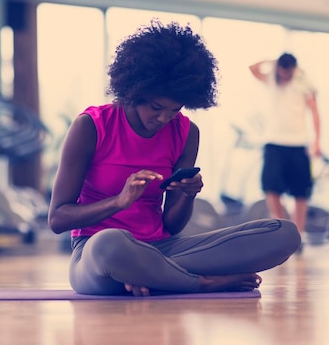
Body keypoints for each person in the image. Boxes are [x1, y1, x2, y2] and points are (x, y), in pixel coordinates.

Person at [48, 20, 301, 297]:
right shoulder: (91, 126)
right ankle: (201, 283)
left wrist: (187, 195)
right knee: (111, 243)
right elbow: (58, 219)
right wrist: (120, 201)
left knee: (283, 233)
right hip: (96, 253)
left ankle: (150, 274)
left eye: (174, 110)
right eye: (156, 108)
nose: (163, 119)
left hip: (162, 249)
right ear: (134, 91)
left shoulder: (186, 132)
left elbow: (171, 226)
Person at [248, 53, 321, 243]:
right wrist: (272, 60)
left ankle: (298, 234)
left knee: (300, 191)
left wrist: (317, 142)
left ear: (294, 69)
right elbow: (252, 68)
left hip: (298, 143)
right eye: (282, 71)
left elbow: (314, 113)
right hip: (274, 142)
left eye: (288, 72)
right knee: (271, 187)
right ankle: (282, 231)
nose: (285, 76)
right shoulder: (271, 79)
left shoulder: (303, 82)